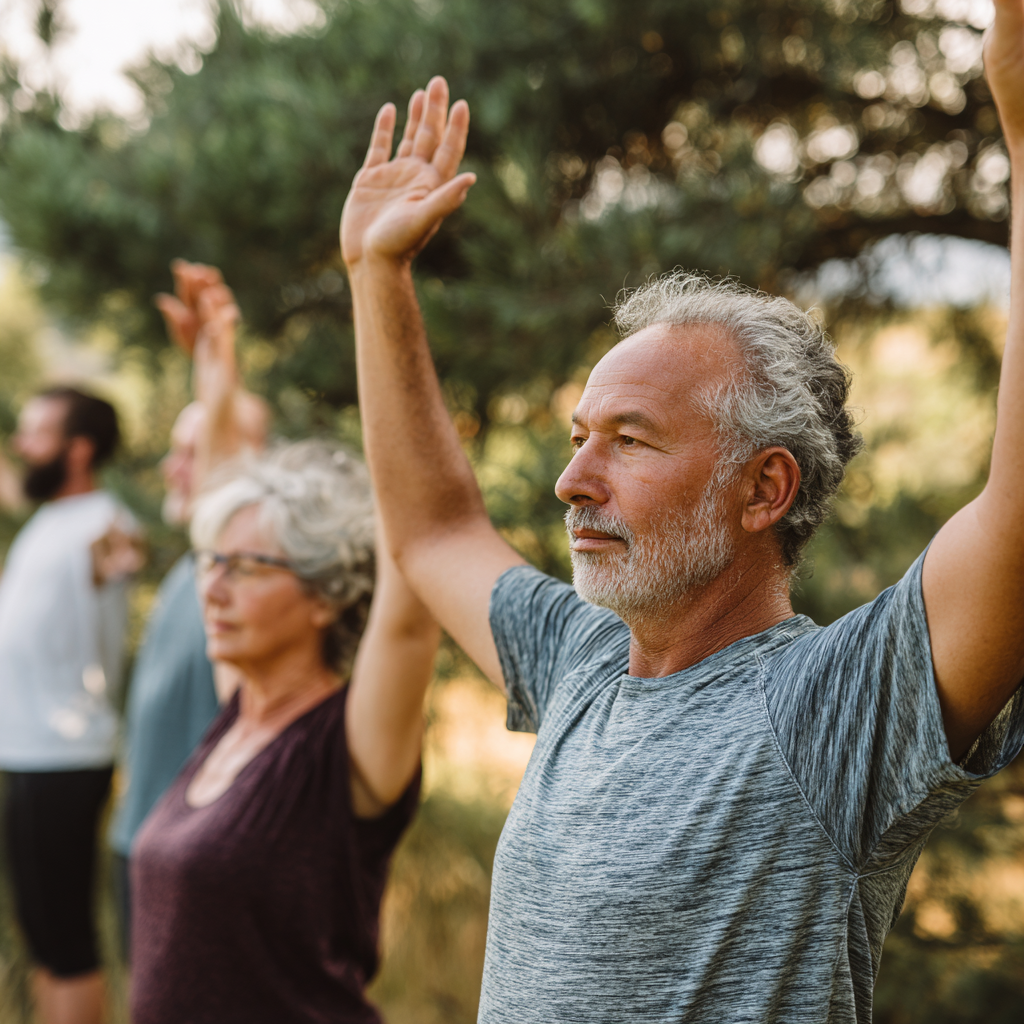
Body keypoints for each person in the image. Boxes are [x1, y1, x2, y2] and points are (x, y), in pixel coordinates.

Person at [338, 3, 1024, 1019]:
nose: (573, 478)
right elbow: (435, 530)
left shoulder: (828, 710)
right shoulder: (581, 662)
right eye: (579, 436)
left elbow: (1015, 517)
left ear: (764, 489)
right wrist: (376, 275)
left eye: (629, 439)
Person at [129, 441, 440, 1024]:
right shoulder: (237, 716)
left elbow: (409, 618)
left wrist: (387, 346)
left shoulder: (347, 747)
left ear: (325, 597)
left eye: (245, 569)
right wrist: (216, 359)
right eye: (210, 562)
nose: (213, 589)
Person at [106, 260, 268, 952]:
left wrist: (219, 360)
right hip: (137, 840)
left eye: (192, 452)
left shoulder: (242, 575)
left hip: (194, 854)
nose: (174, 469)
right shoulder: (187, 572)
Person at [0, 387, 141, 1024]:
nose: (22, 445)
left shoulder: (105, 526)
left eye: (36, 433)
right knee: (39, 928)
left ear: (78, 450)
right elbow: (14, 484)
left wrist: (128, 555)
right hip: (28, 750)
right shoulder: (51, 515)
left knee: (65, 936)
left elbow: (123, 557)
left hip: (66, 755)